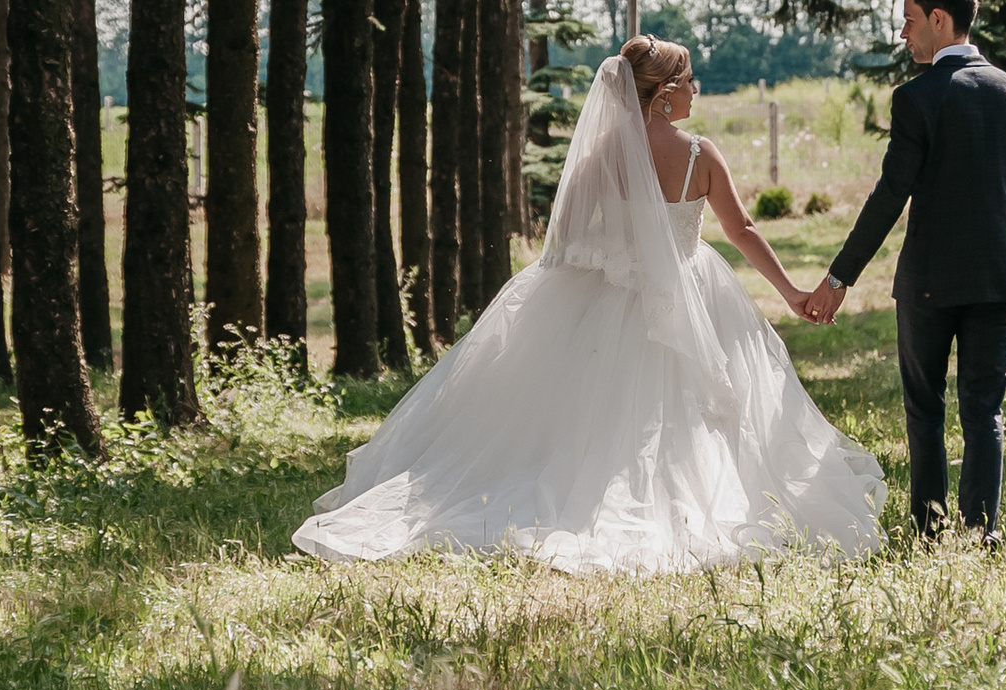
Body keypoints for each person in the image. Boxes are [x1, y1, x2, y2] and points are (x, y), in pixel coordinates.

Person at [294, 33, 883, 570]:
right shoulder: (699, 155)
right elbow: (743, 229)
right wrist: (794, 294)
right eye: (689, 80)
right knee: (691, 406)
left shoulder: (601, 152)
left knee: (590, 410)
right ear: (664, 93)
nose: (696, 90)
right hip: (687, 287)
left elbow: (566, 236)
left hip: (604, 292)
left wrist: (619, 251)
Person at [801, 0, 1006, 542]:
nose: (904, 35)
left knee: (925, 409)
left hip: (929, 283)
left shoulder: (916, 98)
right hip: (997, 282)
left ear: (939, 20)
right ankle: (980, 534)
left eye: (910, 21)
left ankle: (930, 533)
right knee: (985, 411)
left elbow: (889, 198)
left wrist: (839, 278)